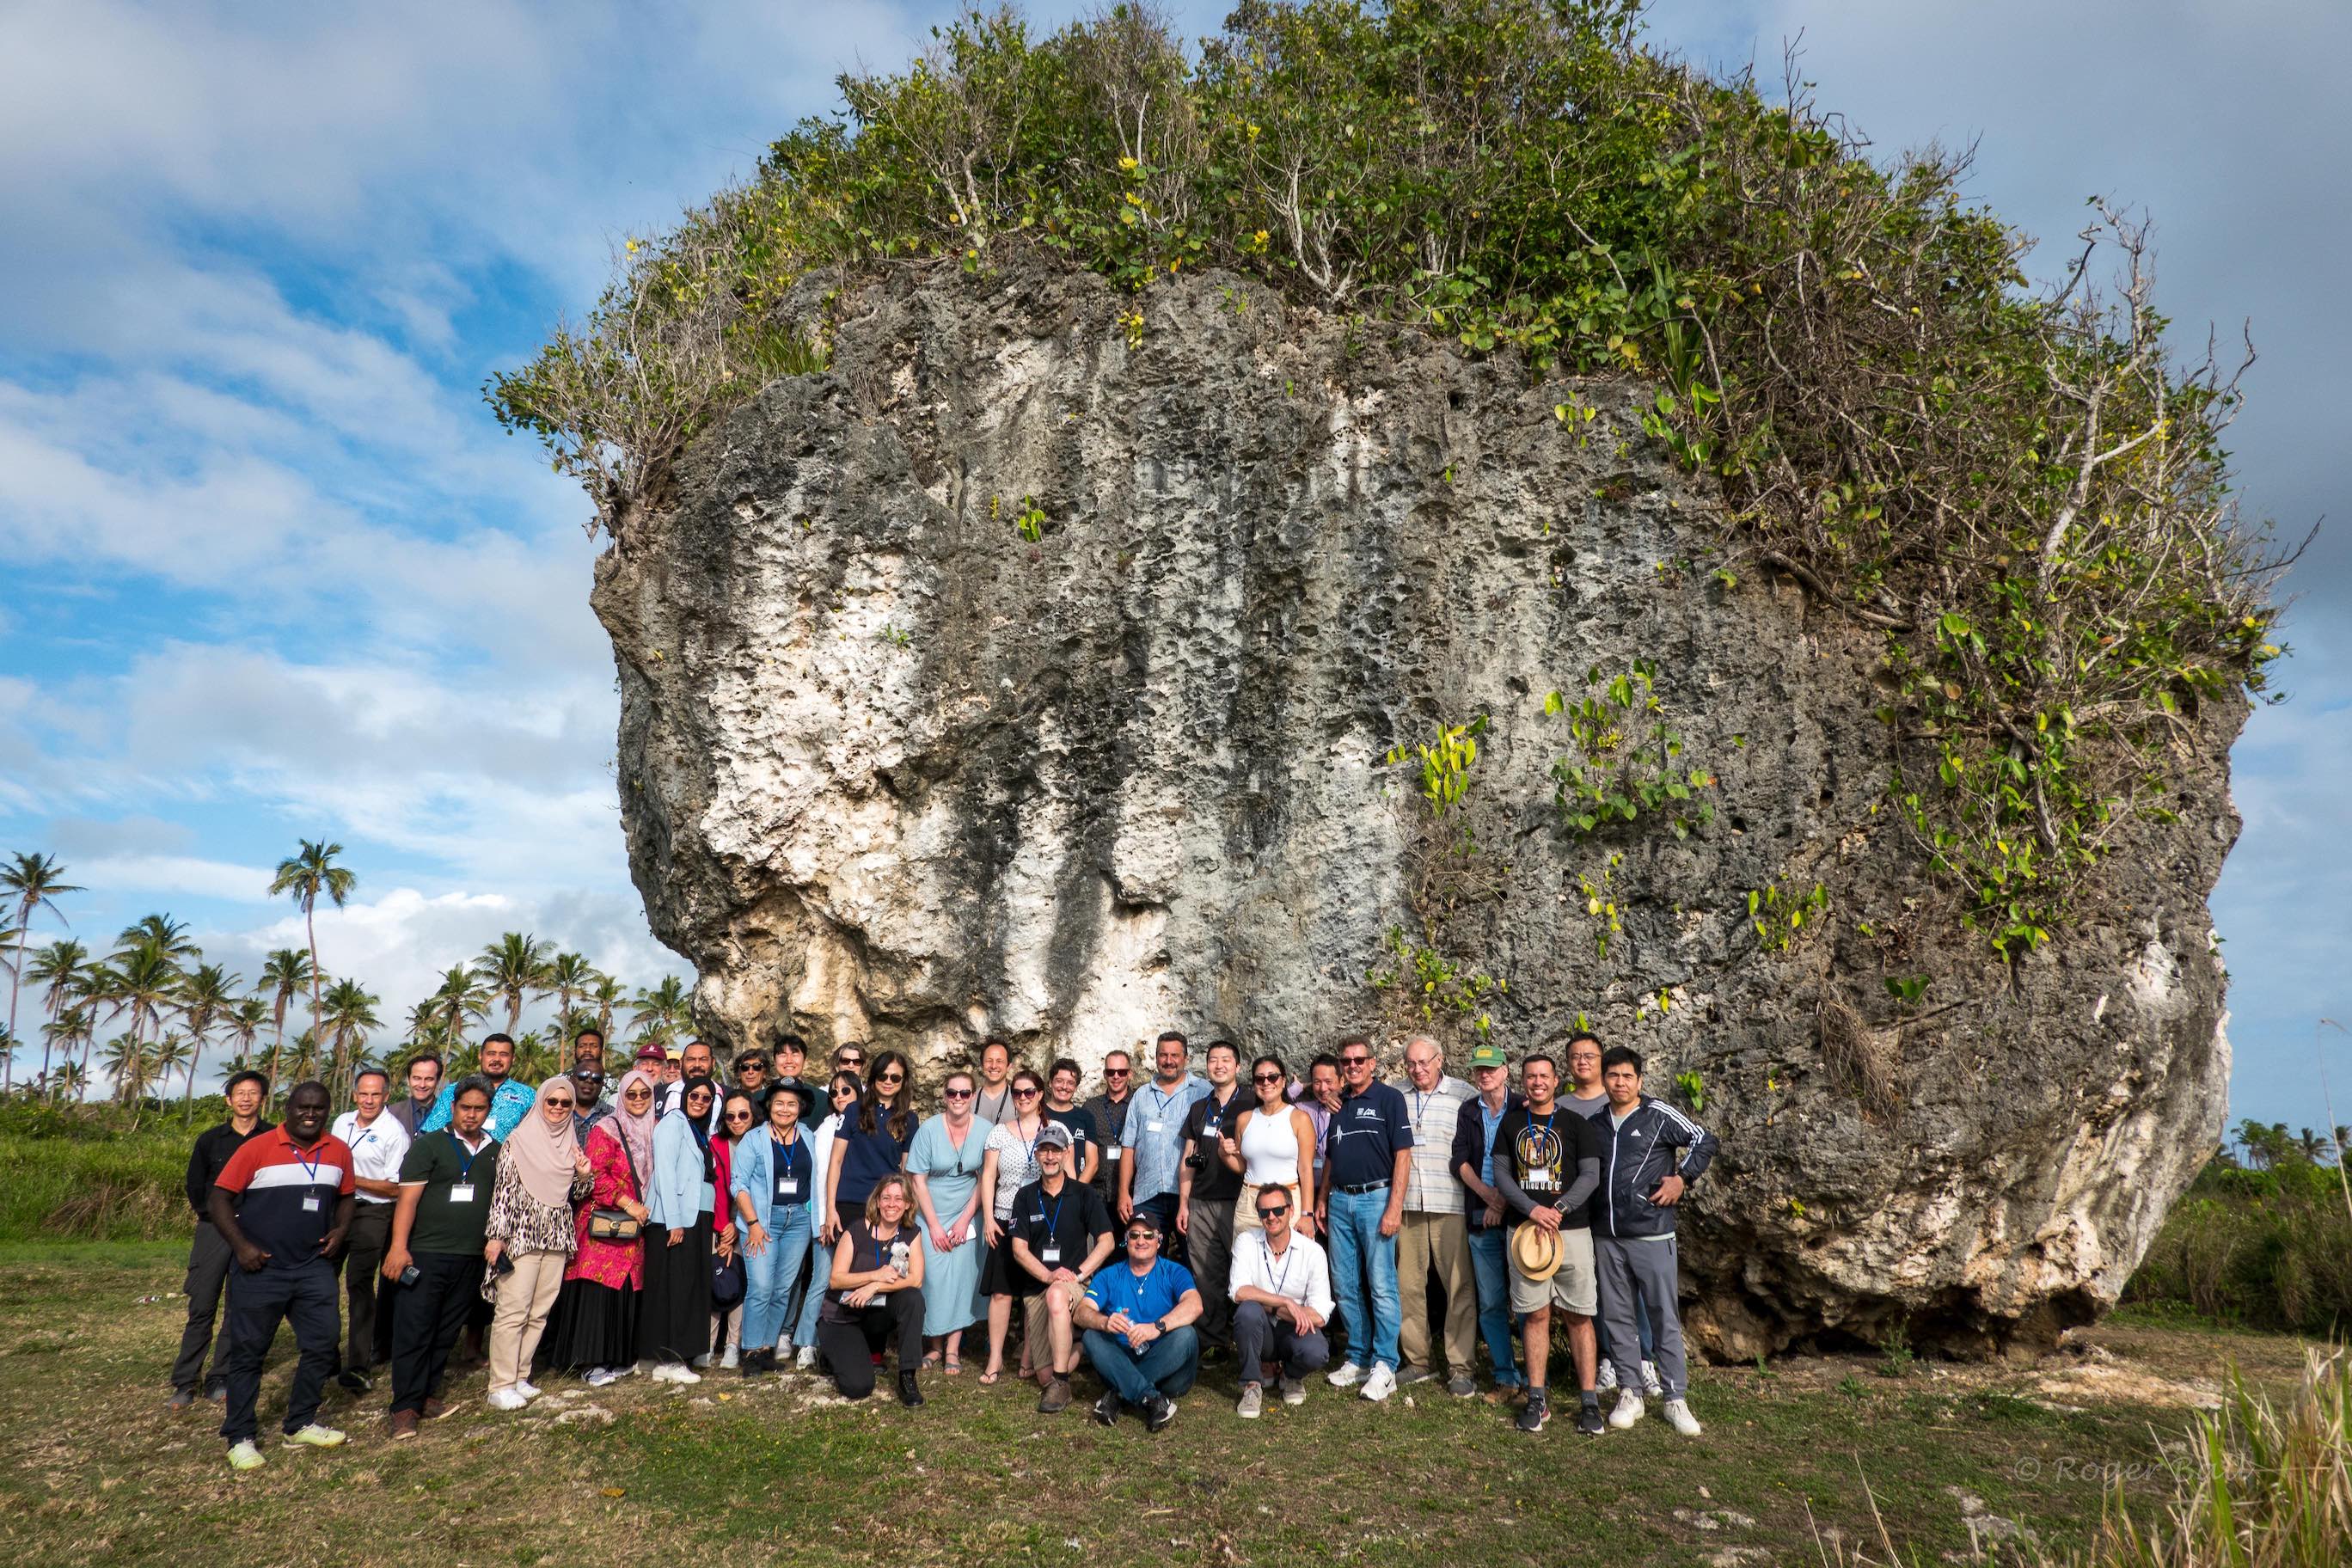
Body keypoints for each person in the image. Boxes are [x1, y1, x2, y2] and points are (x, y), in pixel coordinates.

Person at [206, 1081, 354, 1469]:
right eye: (303, 1107)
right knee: (248, 1353)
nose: (310, 1114)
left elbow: (347, 1196)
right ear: (287, 1108)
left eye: (319, 1108)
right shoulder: (256, 1148)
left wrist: (341, 1229)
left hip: (313, 1266)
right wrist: (242, 1247)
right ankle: (240, 1436)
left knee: (324, 1343)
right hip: (262, 1267)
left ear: (328, 1111)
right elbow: (219, 1198)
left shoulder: (338, 1150)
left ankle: (300, 1423)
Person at [1591, 1047, 1716, 1437]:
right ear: (1604, 1079)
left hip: (1652, 1231)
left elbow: (1703, 1140)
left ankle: (1675, 1397)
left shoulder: (1657, 1114)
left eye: (1627, 1076)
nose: (1620, 1083)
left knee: (1663, 1315)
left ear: (1639, 1080)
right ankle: (1630, 1392)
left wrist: (1683, 1179)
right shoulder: (1596, 1123)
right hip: (1607, 1236)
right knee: (1617, 1317)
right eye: (1613, 1075)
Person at [1492, 1052, 1608, 1436]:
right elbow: (1501, 1174)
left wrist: (1558, 1208)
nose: (1537, 1082)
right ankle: (1537, 1398)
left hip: (1570, 1230)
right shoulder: (1511, 1123)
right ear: (1523, 1082)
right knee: (1535, 1314)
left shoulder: (1576, 1124)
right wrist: (1532, 1209)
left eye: (1544, 1076)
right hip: (1525, 1232)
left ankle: (1589, 1401)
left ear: (1557, 1081)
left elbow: (1590, 1175)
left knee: (1579, 1315)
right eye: (1531, 1077)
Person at [384, 1077, 499, 1438]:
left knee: (446, 1330)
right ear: (453, 1107)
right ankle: (404, 1407)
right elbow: (407, 1201)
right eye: (465, 1107)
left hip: (470, 1256)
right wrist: (399, 1247)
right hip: (427, 1253)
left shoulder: (495, 1150)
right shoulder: (429, 1145)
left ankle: (427, 1394)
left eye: (479, 1108)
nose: (471, 1115)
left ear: (488, 1111)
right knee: (415, 1329)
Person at [481, 1079, 595, 1411]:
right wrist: (497, 1237)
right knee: (513, 1310)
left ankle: (520, 1375)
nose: (558, 1108)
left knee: (539, 1311)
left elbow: (575, 1195)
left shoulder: (570, 1144)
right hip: (522, 1236)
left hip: (556, 1237)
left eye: (565, 1103)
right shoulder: (517, 1142)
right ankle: (500, 1385)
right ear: (540, 1103)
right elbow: (502, 1194)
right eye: (552, 1102)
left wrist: (584, 1174)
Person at [542, 1068, 653, 1388]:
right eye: (631, 1094)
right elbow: (596, 1176)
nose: (638, 1099)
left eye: (644, 1093)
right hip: (603, 1226)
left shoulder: (653, 1128)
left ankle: (616, 1359)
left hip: (635, 1231)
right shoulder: (606, 1129)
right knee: (597, 1295)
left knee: (622, 1294)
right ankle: (590, 1362)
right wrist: (628, 1204)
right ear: (621, 1096)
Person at [170, 1068, 273, 1409]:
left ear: (263, 1099)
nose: (246, 1099)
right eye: (240, 1093)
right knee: (202, 1306)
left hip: (254, 1232)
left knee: (238, 1308)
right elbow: (195, 1185)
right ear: (229, 1100)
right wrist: (214, 1216)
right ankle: (186, 1381)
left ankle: (221, 1377)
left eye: (253, 1093)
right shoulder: (210, 1140)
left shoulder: (272, 1138)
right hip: (214, 1230)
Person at [1318, 1037, 1412, 1402]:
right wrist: (1323, 1197)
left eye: (1360, 1060)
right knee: (1344, 1283)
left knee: (1381, 1283)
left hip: (1376, 1198)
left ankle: (1385, 1364)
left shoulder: (1390, 1099)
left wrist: (1394, 1207)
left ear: (1373, 1063)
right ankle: (1357, 1356)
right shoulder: (1337, 1103)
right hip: (1341, 1200)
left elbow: (1402, 1155)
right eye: (1347, 1061)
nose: (1353, 1065)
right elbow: (1331, 1155)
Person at [1565, 1030, 1657, 1398]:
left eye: (1590, 1055)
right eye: (1575, 1056)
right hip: (1584, 1215)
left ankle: (1644, 1359)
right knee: (1600, 1291)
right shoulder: (1562, 1106)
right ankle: (1609, 1358)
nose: (1582, 1061)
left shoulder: (1624, 1100)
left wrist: (1679, 1179)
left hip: (1627, 1214)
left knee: (1636, 1291)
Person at [1008, 1122, 1115, 1413]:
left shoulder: (1083, 1193)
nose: (1050, 1157)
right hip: (1038, 1287)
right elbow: (1019, 1250)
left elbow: (1107, 1241)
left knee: (1057, 1293)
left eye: (1056, 1151)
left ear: (1067, 1153)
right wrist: (1048, 1275)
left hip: (1075, 1286)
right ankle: (1084, 1343)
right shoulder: (1025, 1196)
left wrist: (1078, 1274)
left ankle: (1062, 1383)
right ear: (1037, 1155)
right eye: (1044, 1150)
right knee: (1042, 1376)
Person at [1393, 1035, 1477, 1396]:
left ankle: (1461, 1367)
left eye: (1424, 1062)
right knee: (1408, 1287)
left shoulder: (1464, 1094)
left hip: (1451, 1202)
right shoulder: (1395, 1095)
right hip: (1408, 1204)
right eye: (1411, 1063)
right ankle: (1418, 1361)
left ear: (1440, 1060)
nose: (1417, 1069)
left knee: (1459, 1286)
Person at [1075, 1211, 1202, 1432]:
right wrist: (1105, 1322)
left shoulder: (1174, 1271)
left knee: (1187, 1335)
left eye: (1148, 1235)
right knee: (1091, 1336)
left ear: (1159, 1240)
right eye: (1134, 1235)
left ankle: (1118, 1394)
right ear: (1126, 1240)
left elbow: (1195, 1305)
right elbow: (1081, 1313)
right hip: (1123, 1360)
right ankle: (1151, 1398)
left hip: (1168, 1370)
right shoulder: (1109, 1275)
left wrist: (1156, 1328)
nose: (1140, 1241)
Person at [1450, 1041, 1526, 1403]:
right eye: (1479, 1070)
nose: (1484, 1075)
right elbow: (1459, 1160)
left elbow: (1529, 1162)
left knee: (1526, 1301)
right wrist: (1488, 1196)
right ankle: (1506, 1377)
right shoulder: (1469, 1110)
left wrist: (1503, 1201)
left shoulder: (1522, 1107)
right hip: (1481, 1216)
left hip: (1520, 1219)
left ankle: (1535, 1379)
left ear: (1505, 1071)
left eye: (1491, 1069)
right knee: (1492, 1303)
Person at [328, 1066, 408, 1393]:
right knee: (322, 1279)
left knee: (359, 1284)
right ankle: (326, 1353)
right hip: (336, 1208)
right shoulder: (341, 1122)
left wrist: (351, 1178)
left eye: (376, 1094)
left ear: (386, 1096)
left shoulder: (394, 1133)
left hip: (373, 1211)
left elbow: (394, 1187)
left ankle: (359, 1365)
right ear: (354, 1095)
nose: (369, 1100)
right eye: (364, 1093)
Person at [731, 1077, 817, 1375]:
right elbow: (739, 1184)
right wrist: (753, 1223)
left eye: (791, 1104)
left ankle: (766, 1349)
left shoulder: (808, 1136)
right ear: (769, 1106)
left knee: (782, 1288)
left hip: (799, 1221)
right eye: (779, 1103)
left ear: (800, 1108)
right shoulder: (754, 1139)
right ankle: (751, 1350)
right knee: (761, 1287)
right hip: (762, 1221)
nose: (785, 1109)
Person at [817, 1173, 927, 1406]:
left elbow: (916, 1279)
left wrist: (875, 1287)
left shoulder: (911, 1232)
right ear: (877, 1201)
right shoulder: (856, 1231)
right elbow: (836, 1280)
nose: (892, 1204)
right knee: (859, 1387)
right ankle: (830, 1354)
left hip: (876, 1312)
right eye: (886, 1198)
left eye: (898, 1198)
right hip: (844, 1316)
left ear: (908, 1204)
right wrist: (875, 1276)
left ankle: (907, 1377)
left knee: (913, 1298)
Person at [904, 1069, 988, 1373]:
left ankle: (953, 1348)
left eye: (964, 1093)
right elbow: (917, 1179)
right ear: (944, 1095)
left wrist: (964, 1221)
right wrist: (935, 1225)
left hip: (968, 1211)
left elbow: (986, 1179)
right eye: (952, 1092)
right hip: (930, 1213)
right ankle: (934, 1344)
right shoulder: (928, 1130)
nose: (958, 1098)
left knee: (964, 1276)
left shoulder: (986, 1130)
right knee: (933, 1276)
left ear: (973, 1096)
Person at [642, 1077, 723, 1383]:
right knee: (673, 1289)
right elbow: (664, 1172)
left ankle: (683, 1353)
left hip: (697, 1217)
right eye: (695, 1095)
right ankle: (668, 1359)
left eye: (706, 1098)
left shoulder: (699, 1131)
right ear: (684, 1096)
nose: (700, 1101)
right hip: (674, 1219)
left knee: (689, 1287)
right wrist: (673, 1220)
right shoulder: (672, 1124)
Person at [1228, 1183, 1333, 1417]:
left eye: (1278, 1210)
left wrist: (1274, 1308)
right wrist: (1285, 1302)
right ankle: (1252, 1385)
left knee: (1316, 1352)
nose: (1271, 1217)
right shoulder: (1246, 1241)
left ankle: (1292, 1375)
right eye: (1264, 1212)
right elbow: (1238, 1291)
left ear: (1291, 1210)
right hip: (1261, 1328)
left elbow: (1319, 1315)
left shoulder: (1312, 1251)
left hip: (1293, 1329)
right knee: (1247, 1312)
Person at [977, 1068, 1050, 1385]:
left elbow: (1068, 1177)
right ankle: (995, 1356)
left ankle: (1029, 1354)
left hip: (1042, 1219)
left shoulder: (1054, 1129)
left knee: (1036, 1291)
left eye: (1029, 1092)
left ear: (1040, 1095)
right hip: (1006, 1217)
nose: (1022, 1098)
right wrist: (988, 1217)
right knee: (1001, 1292)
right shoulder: (999, 1132)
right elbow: (988, 1176)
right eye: (1017, 1093)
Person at [1175, 1040, 1246, 1353]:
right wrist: (1183, 1203)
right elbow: (1187, 1158)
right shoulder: (1199, 1108)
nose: (1219, 1065)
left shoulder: (1252, 1101)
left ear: (1238, 1066)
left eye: (1226, 1060)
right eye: (1213, 1060)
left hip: (1239, 1200)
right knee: (1206, 1274)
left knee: (1245, 1270)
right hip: (1201, 1201)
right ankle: (1214, 1341)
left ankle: (1252, 1340)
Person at [789, 1070, 860, 1369]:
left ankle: (841, 1344)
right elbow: (819, 1177)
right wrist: (822, 1217)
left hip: (857, 1212)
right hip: (830, 1215)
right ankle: (807, 1342)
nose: (839, 1096)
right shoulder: (827, 1127)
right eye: (834, 1092)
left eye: (846, 1090)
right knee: (822, 1279)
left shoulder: (864, 1123)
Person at [1117, 1032, 1208, 1246]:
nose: (1169, 1061)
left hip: (1190, 1195)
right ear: (1156, 1057)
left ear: (1186, 1058)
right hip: (1148, 1195)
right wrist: (1123, 1192)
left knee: (1193, 1258)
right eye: (1163, 1055)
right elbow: (1128, 1146)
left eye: (1175, 1055)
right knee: (1145, 1258)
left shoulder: (1204, 1091)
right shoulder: (1141, 1095)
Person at [1224, 1056, 1317, 1239]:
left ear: (1283, 1081)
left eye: (1272, 1077)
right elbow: (1243, 1167)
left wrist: (1307, 1214)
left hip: (1287, 1201)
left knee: (1290, 1256)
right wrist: (1224, 1154)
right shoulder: (1244, 1119)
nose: (1266, 1083)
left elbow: (1306, 1170)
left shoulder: (1300, 1118)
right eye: (1260, 1079)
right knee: (1245, 1255)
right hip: (1249, 1202)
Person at [826, 1050, 913, 1234]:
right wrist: (830, 1208)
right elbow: (836, 1161)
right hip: (850, 1201)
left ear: (903, 1081)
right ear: (874, 1077)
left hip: (886, 1205)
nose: (888, 1082)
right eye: (883, 1076)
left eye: (895, 1078)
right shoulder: (852, 1110)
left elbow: (906, 1171)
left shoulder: (910, 1119)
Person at [707, 1092, 753, 1368]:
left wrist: (738, 1226)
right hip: (720, 1223)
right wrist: (725, 1227)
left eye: (743, 1115)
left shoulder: (760, 1142)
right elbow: (716, 1189)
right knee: (716, 1278)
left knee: (737, 1282)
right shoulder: (716, 1144)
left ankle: (733, 1344)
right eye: (730, 1116)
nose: (736, 1121)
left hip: (747, 1223)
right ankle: (708, 1343)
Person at [422, 1033, 536, 1141]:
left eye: (503, 1054)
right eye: (491, 1053)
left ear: (513, 1058)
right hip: (457, 1154)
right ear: (480, 1056)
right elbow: (431, 1134)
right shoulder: (452, 1091)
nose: (497, 1059)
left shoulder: (527, 1096)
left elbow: (534, 1137)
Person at [1082, 1048, 1135, 1204]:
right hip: (1097, 1193)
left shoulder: (1139, 1103)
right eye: (1111, 1072)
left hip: (1132, 1193)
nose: (1116, 1076)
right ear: (1105, 1074)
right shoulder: (1091, 1107)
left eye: (1121, 1072)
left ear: (1130, 1074)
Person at [1042, 1057, 1100, 1185]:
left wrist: (1076, 1191)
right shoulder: (1039, 1114)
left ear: (1076, 1087)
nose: (1064, 1087)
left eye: (1070, 1083)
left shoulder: (1085, 1117)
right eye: (1059, 1081)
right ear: (1050, 1083)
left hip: (1077, 1187)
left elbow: (1092, 1163)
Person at [1290, 1053, 1341, 1196]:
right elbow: (1277, 1104)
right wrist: (1299, 1087)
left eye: (1328, 1081)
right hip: (1309, 1189)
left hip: (1338, 1191)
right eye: (1317, 1082)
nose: (1323, 1088)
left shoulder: (1350, 1108)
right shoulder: (1304, 1109)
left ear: (1342, 1080)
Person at [660, 1040, 719, 1124]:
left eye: (703, 1060)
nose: (697, 1065)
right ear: (681, 1062)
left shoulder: (725, 1096)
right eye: (691, 1059)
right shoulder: (658, 1094)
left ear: (713, 1063)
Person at [388, 1054, 442, 1138]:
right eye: (417, 1078)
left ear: (437, 1081)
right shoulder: (391, 1112)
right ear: (408, 1080)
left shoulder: (449, 1115)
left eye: (429, 1079)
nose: (422, 1085)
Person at [971, 1037, 1016, 1124]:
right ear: (982, 1065)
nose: (994, 1066)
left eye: (999, 1061)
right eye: (989, 1061)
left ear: (1009, 1066)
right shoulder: (969, 1099)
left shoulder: (1018, 1099)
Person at [730, 1047, 775, 1118]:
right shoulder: (729, 1099)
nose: (750, 1072)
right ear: (739, 1074)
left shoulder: (772, 1099)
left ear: (765, 1073)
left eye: (757, 1067)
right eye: (745, 1067)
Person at [570, 1066, 609, 1138]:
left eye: (596, 1078)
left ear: (602, 1084)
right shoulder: (555, 1111)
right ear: (571, 1080)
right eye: (583, 1075)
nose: (589, 1081)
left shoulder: (614, 1117)